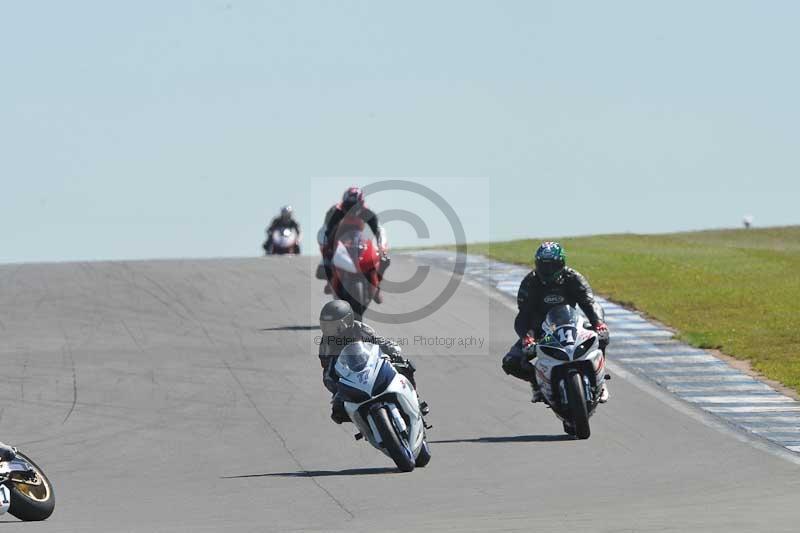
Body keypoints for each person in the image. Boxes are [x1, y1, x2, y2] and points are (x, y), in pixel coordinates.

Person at [502, 241, 610, 403]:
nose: (548, 270)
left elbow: (589, 303)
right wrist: (527, 336)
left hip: (572, 325)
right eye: (544, 265)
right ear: (537, 264)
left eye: (553, 265)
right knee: (511, 362)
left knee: (601, 337)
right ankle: (537, 383)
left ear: (562, 263)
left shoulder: (573, 278)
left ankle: (600, 380)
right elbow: (523, 315)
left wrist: (599, 323)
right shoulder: (530, 282)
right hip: (541, 331)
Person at [318, 300, 428, 423]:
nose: (329, 331)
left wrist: (392, 349)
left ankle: (416, 400)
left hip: (371, 364)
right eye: (326, 326)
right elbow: (326, 367)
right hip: (348, 374)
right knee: (337, 411)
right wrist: (334, 386)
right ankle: (363, 423)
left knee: (405, 366)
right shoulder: (325, 343)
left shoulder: (359, 328)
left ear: (347, 320)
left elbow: (378, 340)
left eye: (333, 326)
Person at [321, 187, 389, 303]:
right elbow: (327, 231)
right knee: (327, 254)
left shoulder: (367, 212)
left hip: (360, 240)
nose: (351, 209)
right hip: (340, 240)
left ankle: (377, 287)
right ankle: (330, 281)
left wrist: (381, 246)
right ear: (344, 204)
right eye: (348, 205)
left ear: (361, 204)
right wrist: (327, 246)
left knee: (384, 259)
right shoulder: (337, 212)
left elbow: (378, 230)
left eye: (355, 206)